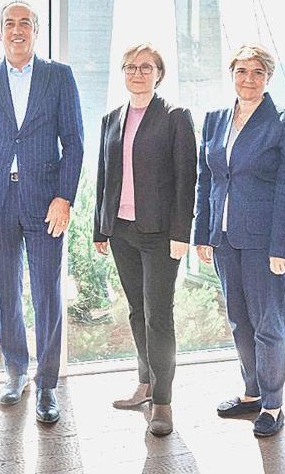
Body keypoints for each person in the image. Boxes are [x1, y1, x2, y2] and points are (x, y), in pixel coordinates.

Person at [0, 0, 83, 424]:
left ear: (36, 30)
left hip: (46, 201)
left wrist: (64, 197)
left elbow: (74, 142)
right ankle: (16, 371)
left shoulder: (59, 76)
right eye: (10, 24)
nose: (17, 30)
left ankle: (47, 383)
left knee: (48, 291)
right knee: (5, 288)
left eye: (25, 23)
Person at [193, 44, 285, 438]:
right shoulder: (215, 120)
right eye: (241, 71)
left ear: (268, 77)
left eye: (257, 72)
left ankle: (273, 405)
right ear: (232, 75)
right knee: (240, 321)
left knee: (267, 325)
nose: (249, 79)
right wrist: (203, 234)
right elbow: (206, 180)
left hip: (265, 243)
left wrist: (282, 247)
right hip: (224, 239)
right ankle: (252, 393)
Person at [93, 43, 196, 436]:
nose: (138, 73)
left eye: (146, 67)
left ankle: (163, 402)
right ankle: (145, 383)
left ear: (159, 74)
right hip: (121, 231)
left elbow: (187, 179)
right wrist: (100, 228)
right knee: (137, 312)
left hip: (160, 236)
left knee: (158, 316)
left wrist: (181, 234)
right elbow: (104, 176)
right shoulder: (111, 119)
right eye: (131, 67)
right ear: (123, 73)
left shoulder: (175, 117)